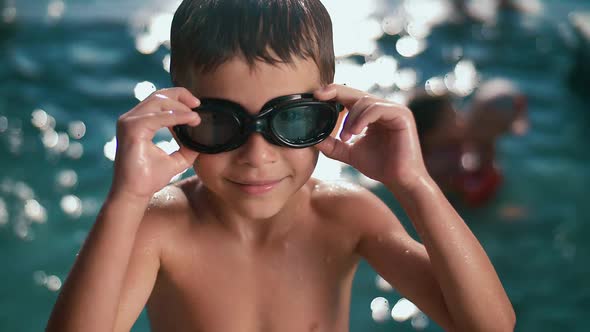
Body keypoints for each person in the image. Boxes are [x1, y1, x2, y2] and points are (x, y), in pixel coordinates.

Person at [46, 1, 515, 331]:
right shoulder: (163, 228)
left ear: (329, 114)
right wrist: (125, 201)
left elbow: (489, 326)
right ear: (176, 121)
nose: (257, 156)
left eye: (289, 120)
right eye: (220, 123)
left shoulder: (346, 217)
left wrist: (415, 183)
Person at [408, 79, 528, 206]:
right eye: (452, 118)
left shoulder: (449, 143)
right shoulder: (437, 163)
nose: (461, 120)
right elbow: (471, 191)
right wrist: (487, 149)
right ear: (431, 135)